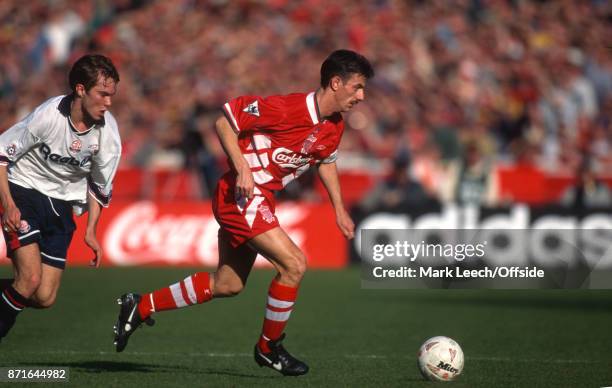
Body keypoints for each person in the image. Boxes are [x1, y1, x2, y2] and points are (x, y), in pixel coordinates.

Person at [112, 49, 374, 376]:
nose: (361, 96)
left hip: (260, 199)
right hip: (240, 194)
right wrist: (241, 168)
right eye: (357, 87)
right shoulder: (287, 107)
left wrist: (338, 208)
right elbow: (224, 122)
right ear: (336, 83)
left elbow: (327, 161)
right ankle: (269, 347)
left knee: (227, 284)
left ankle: (141, 305)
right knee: (294, 264)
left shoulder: (334, 126)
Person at [0, 54, 122, 341]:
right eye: (102, 94)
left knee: (43, 296)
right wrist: (8, 205)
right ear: (80, 89)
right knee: (29, 280)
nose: (109, 103)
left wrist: (91, 230)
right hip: (23, 190)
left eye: (112, 95)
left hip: (62, 204)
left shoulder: (108, 134)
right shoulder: (48, 116)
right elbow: (2, 155)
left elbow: (99, 185)